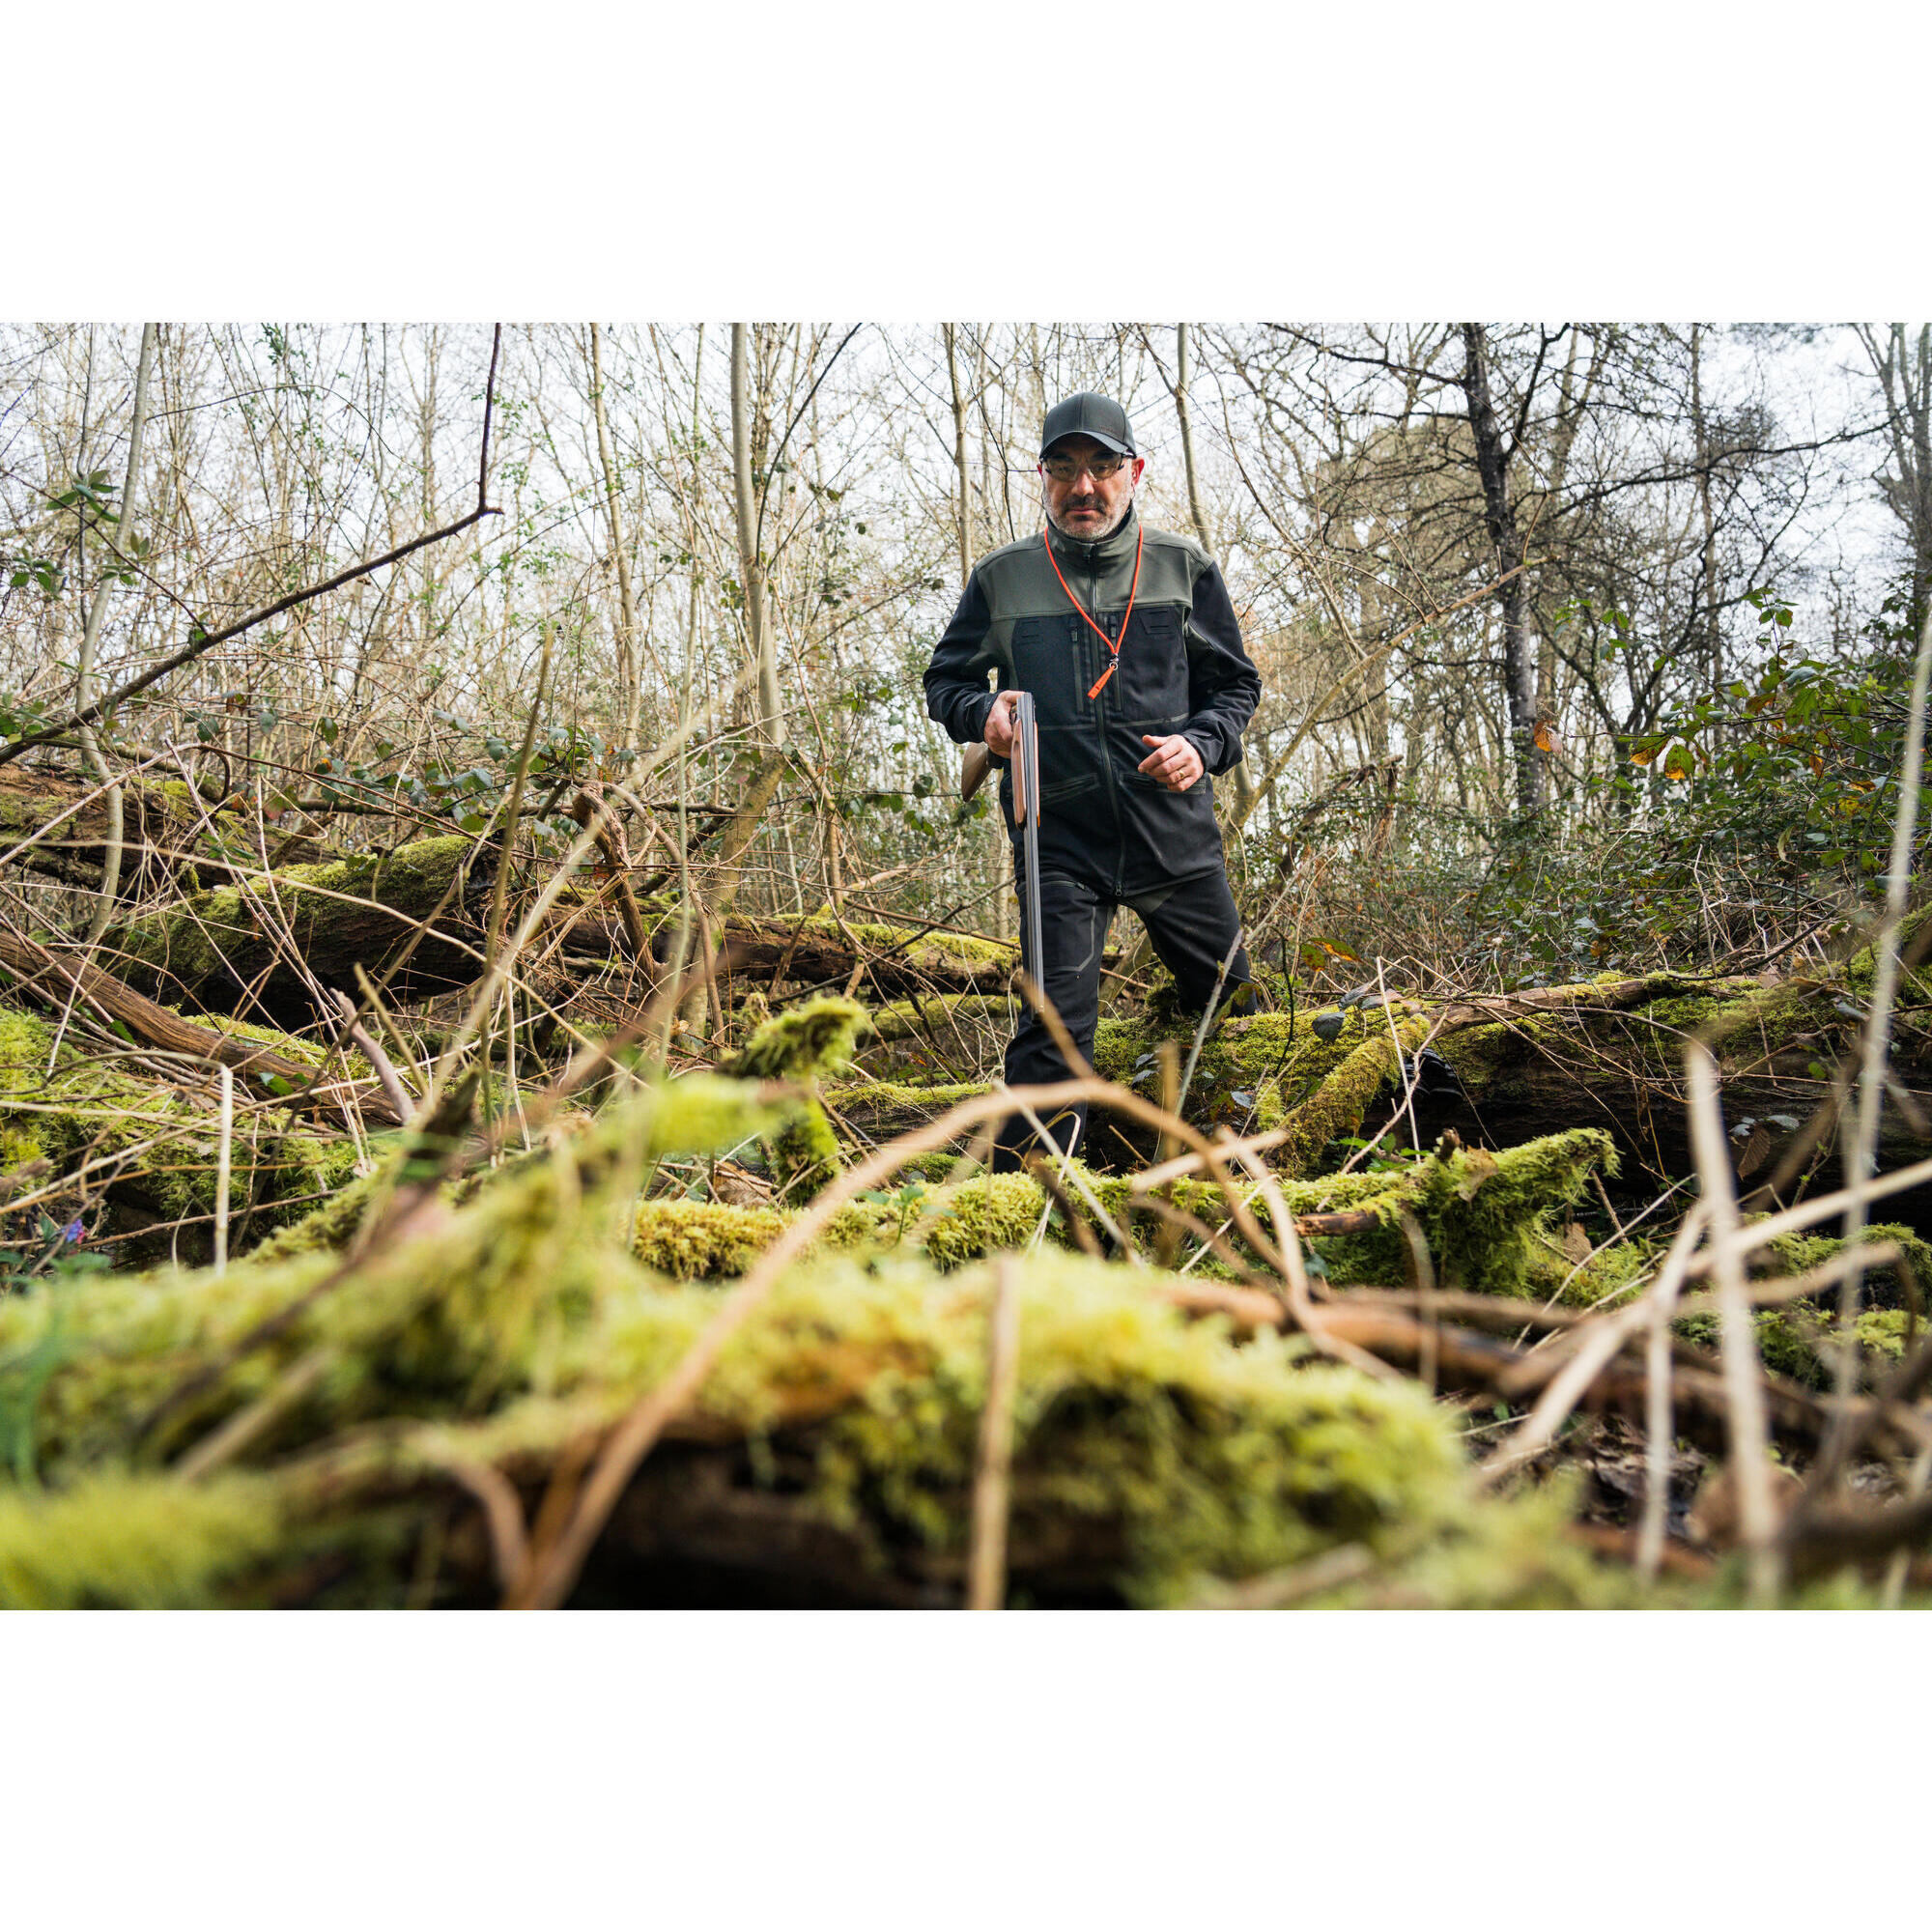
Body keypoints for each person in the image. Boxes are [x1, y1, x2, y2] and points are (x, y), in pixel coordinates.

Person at [923, 390, 1262, 1170]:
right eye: (1066, 469)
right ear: (1042, 477)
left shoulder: (1183, 568)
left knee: (1233, 1007)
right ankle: (1023, 1220)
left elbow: (1236, 689)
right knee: (1054, 1034)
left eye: (1102, 467)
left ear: (1133, 472)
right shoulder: (1003, 578)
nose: (1085, 488)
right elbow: (945, 682)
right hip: (1057, 842)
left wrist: (1202, 746)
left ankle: (1236, 1172)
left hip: (1173, 840)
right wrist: (985, 715)